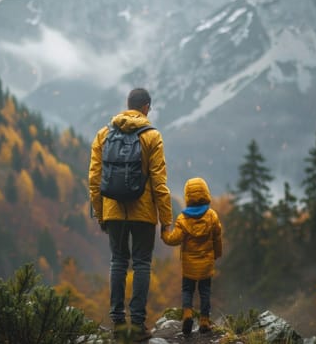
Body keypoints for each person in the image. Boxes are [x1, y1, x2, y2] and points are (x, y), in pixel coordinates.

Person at [88, 88, 173, 341]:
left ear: (128, 105)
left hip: (113, 209)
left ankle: (117, 323)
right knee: (142, 264)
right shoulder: (152, 136)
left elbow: (94, 179)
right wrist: (166, 220)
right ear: (146, 107)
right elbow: (159, 182)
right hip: (144, 211)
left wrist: (101, 213)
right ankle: (137, 324)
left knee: (118, 261)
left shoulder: (104, 134)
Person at [160, 177, 223, 336]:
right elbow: (217, 237)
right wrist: (217, 253)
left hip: (189, 265)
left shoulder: (183, 219)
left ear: (187, 196)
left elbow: (174, 239)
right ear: (206, 193)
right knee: (205, 291)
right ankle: (204, 320)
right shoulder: (212, 216)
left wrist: (164, 233)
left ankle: (187, 314)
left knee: (187, 290)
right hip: (206, 264)